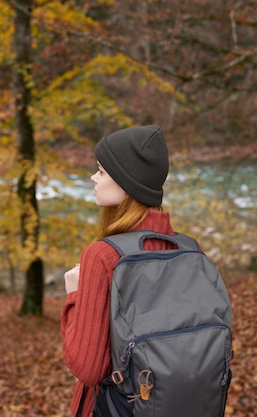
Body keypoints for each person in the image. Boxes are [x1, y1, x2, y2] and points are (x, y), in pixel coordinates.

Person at [61, 125, 177, 417]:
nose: (93, 178)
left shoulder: (102, 256)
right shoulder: (188, 251)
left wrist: (74, 295)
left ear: (126, 181)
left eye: (100, 171)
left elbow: (87, 368)